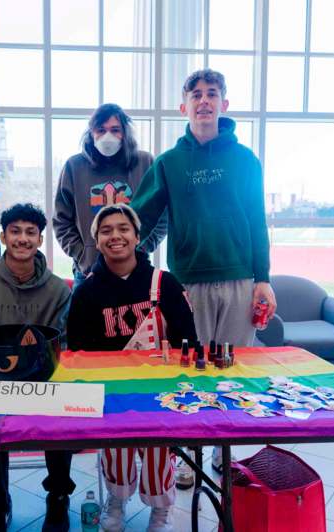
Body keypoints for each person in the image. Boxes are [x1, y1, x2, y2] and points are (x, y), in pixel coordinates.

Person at [130, 68, 276, 483]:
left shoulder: (245, 160)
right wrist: (118, 250)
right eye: (196, 94)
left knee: (229, 371)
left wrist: (262, 277)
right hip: (187, 281)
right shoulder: (169, 163)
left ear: (224, 105)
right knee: (189, 369)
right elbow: (139, 217)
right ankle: (189, 455)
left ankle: (221, 452)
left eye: (212, 93)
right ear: (184, 106)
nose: (204, 100)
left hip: (239, 279)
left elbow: (257, 220)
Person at [67, 204, 197, 532]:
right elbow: (78, 353)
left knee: (157, 452)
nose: (116, 236)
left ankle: (161, 510)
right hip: (114, 392)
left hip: (160, 389)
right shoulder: (86, 293)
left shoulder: (164, 283)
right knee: (117, 450)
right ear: (97, 241)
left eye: (123, 228)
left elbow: (189, 342)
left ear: (137, 237)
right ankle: (116, 500)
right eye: (106, 230)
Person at [0, 203, 74, 532]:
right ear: (3, 236)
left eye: (30, 232)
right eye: (15, 231)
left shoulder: (58, 290)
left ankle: (58, 498)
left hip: (43, 378)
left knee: (62, 409)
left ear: (40, 239)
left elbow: (58, 341)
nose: (22, 239)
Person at [53, 103, 165, 288]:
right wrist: (83, 256)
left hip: (136, 269)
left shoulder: (145, 163)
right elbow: (61, 221)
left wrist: (143, 248)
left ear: (125, 132)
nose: (108, 136)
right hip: (89, 272)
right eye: (101, 130)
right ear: (91, 133)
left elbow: (162, 215)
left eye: (115, 130)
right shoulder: (74, 167)